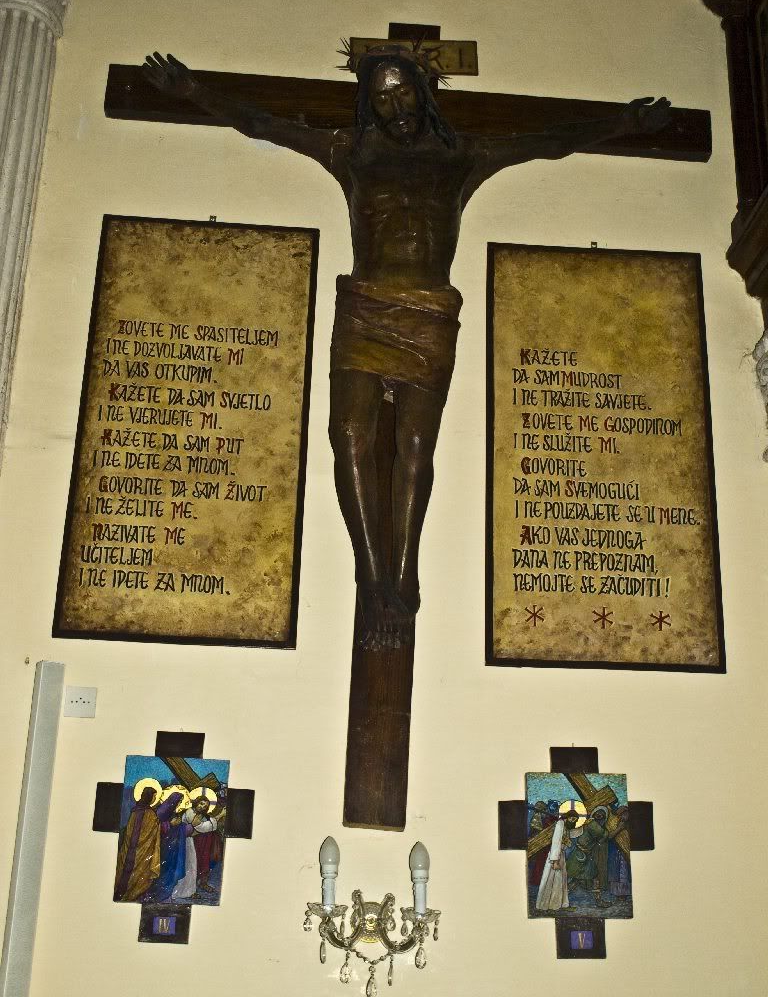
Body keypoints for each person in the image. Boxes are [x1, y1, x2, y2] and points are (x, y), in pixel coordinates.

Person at [142, 48, 671, 649]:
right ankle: (373, 579)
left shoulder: (461, 155)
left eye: (403, 91)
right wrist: (192, 93)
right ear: (369, 104)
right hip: (365, 306)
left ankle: (404, 572)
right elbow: (264, 125)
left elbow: (547, 142)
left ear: (424, 89)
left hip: (429, 311)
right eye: (382, 97)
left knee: (416, 447)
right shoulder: (350, 152)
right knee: (348, 434)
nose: (395, 106)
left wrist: (624, 123)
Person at [170, 794, 223, 901]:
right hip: (184, 842)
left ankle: (190, 891)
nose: (203, 807)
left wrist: (212, 822)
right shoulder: (190, 812)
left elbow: (209, 825)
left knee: (191, 866)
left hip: (189, 843)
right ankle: (182, 892)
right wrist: (219, 816)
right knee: (187, 867)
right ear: (196, 803)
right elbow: (202, 827)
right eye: (201, 803)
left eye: (205, 806)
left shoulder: (199, 815)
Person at [535, 807, 581, 911]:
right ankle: (549, 905)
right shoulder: (560, 824)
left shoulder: (565, 826)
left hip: (561, 856)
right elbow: (556, 842)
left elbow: (568, 837)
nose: (573, 821)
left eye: (575, 820)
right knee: (552, 881)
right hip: (555, 857)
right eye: (572, 819)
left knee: (560, 881)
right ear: (567, 817)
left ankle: (559, 904)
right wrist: (555, 861)